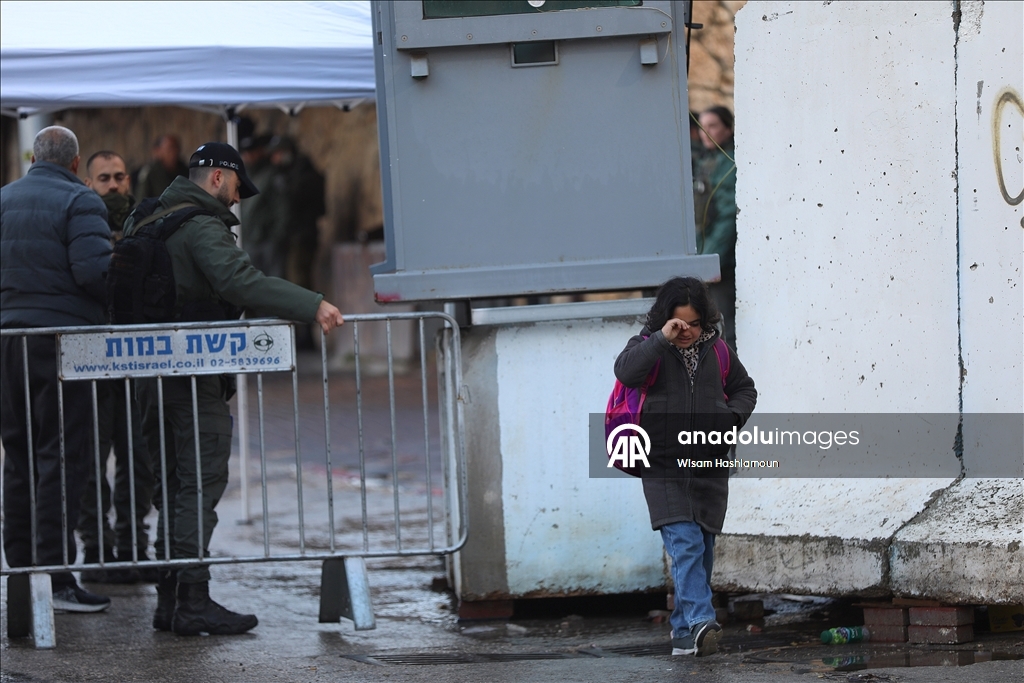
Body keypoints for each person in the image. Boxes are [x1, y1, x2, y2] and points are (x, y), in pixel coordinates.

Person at [124, 141, 345, 636]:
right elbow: (239, 281)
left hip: (147, 378)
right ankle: (192, 601)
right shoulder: (200, 226)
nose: (237, 201)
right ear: (219, 177)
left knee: (173, 489)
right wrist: (311, 304)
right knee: (198, 487)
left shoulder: (146, 217)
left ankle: (170, 599)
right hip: (192, 378)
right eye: (237, 189)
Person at [0, 126, 113, 613]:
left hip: (7, 343)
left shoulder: (3, 199)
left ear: (32, 157)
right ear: (74, 163)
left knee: (18, 456)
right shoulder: (80, 201)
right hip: (62, 345)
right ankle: (56, 575)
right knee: (61, 457)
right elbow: (94, 273)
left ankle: (22, 572)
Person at [613, 277, 756, 657]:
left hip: (708, 465)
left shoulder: (719, 350)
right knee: (686, 543)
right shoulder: (648, 346)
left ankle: (682, 635)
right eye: (679, 323)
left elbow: (746, 389)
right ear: (665, 319)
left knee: (703, 547)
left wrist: (731, 418)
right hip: (662, 464)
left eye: (694, 323)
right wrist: (661, 338)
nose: (687, 331)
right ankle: (702, 621)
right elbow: (625, 372)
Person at [79, 151, 156, 583]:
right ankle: (96, 546)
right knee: (93, 458)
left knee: (138, 456)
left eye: (120, 177)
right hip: (92, 356)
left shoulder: (144, 222)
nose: (114, 184)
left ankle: (131, 543)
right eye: (104, 177)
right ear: (89, 183)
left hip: (138, 357)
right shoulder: (78, 221)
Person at [693, 106, 737, 347]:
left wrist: (708, 259)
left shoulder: (728, 164)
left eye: (712, 126)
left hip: (720, 265)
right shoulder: (704, 161)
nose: (705, 133)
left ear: (728, 128)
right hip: (704, 261)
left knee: (725, 329)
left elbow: (728, 216)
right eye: (701, 126)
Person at [135, 134, 188, 199]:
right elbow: (141, 199)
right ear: (158, 151)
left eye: (176, 148)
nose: (173, 153)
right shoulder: (150, 172)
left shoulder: (185, 171)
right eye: (169, 150)